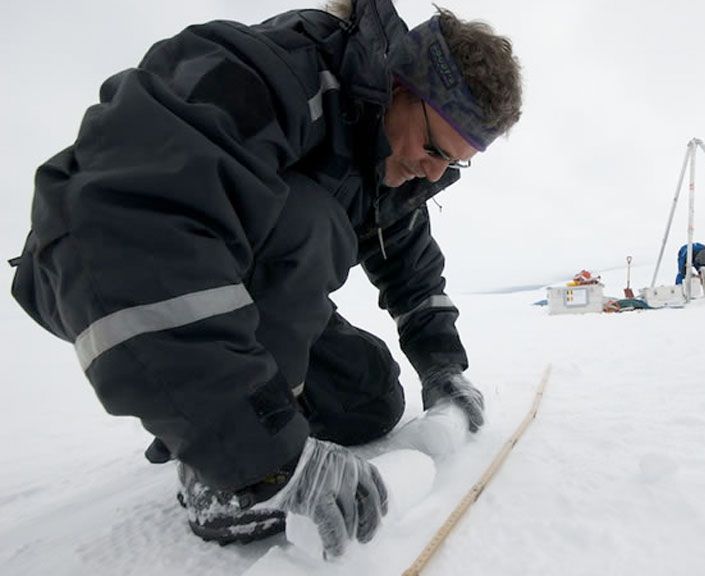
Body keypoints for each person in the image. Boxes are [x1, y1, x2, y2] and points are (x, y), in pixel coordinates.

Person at [9, 0, 522, 558]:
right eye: (432, 149)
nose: (434, 173)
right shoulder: (269, 74)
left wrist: (444, 367)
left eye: (455, 163)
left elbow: (414, 273)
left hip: (231, 281)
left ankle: (210, 410)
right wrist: (269, 458)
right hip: (101, 258)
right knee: (313, 222)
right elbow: (131, 223)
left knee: (371, 395)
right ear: (398, 83)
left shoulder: (392, 167)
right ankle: (228, 476)